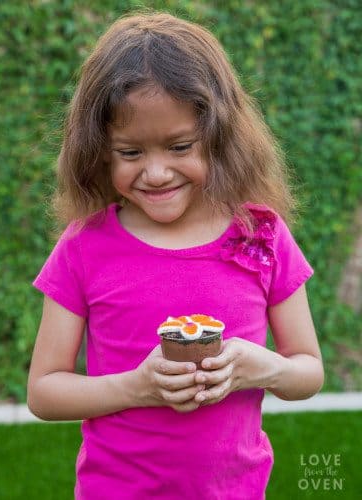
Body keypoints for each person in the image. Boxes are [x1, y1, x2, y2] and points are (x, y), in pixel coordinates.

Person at [27, 11, 324, 500]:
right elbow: (44, 391)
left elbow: (308, 371)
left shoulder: (262, 236)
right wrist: (137, 387)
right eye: (130, 152)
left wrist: (263, 368)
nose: (157, 172)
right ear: (99, 149)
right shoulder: (83, 247)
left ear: (219, 136)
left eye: (179, 146)